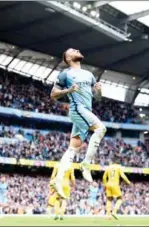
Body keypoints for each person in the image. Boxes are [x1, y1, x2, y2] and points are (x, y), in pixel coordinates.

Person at [50, 48, 106, 198]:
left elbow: (98, 98)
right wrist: (68, 90)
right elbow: (53, 94)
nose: (78, 50)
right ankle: (86, 164)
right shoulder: (65, 74)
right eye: (73, 50)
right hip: (77, 109)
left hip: (86, 111)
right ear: (68, 58)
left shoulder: (89, 74)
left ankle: (57, 180)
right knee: (101, 129)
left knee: (72, 150)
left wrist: (99, 91)